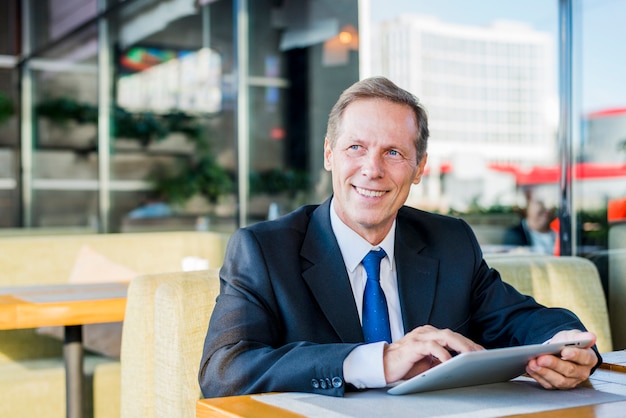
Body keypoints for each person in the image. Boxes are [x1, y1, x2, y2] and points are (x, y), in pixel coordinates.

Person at [199, 76, 600, 398]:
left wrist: (570, 346)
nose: (372, 169)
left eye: (393, 153)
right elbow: (223, 371)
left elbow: (523, 318)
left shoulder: (450, 240)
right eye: (356, 147)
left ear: (419, 167)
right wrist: (379, 361)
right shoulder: (263, 250)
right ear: (329, 155)